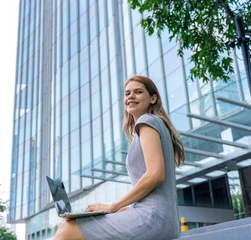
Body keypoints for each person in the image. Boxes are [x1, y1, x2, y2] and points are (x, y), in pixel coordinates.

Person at [54, 75, 184, 240]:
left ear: (153, 98)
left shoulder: (146, 121)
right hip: (163, 220)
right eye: (127, 93)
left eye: (138, 92)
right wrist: (113, 208)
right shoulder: (155, 124)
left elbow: (156, 174)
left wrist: (114, 206)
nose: (131, 96)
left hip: (153, 219)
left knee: (68, 229)